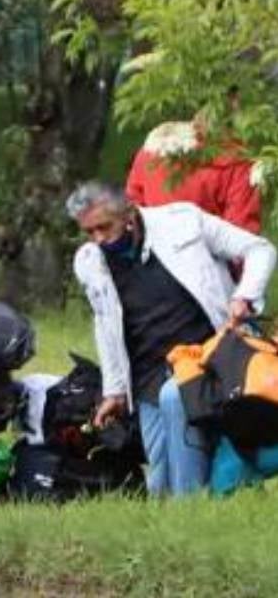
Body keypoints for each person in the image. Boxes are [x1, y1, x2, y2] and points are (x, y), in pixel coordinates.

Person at [67, 182, 276, 497]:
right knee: (160, 480)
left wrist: (244, 296)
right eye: (89, 231)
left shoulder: (182, 221)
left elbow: (260, 249)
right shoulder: (88, 261)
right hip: (147, 370)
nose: (98, 238)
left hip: (209, 356)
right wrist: (114, 390)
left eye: (103, 227)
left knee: (175, 397)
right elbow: (104, 322)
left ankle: (189, 507)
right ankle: (184, 508)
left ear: (127, 213)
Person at [126, 118, 261, 234]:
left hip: (156, 258)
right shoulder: (237, 162)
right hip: (211, 259)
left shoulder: (148, 154)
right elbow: (241, 235)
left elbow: (132, 215)